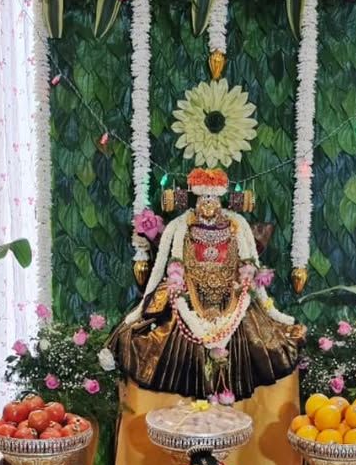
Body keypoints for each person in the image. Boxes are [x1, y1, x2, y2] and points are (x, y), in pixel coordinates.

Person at [110, 167, 304, 401]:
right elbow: (161, 266)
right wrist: (142, 308)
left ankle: (224, 390)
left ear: (220, 199)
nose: (208, 203)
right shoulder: (180, 225)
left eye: (212, 198)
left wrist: (268, 306)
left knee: (259, 335)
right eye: (203, 198)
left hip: (232, 296)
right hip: (187, 294)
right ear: (196, 198)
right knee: (156, 331)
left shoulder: (237, 224)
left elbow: (250, 262)